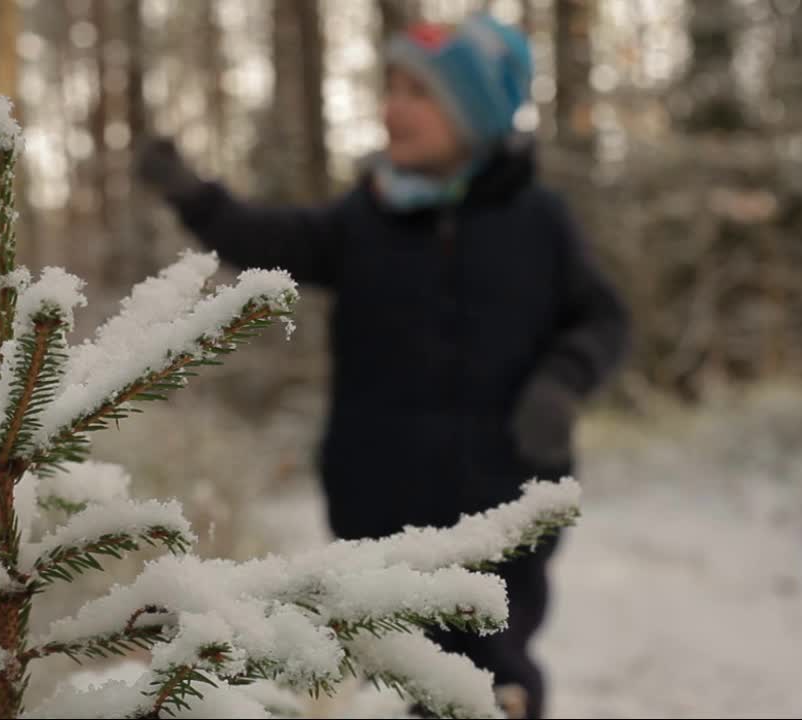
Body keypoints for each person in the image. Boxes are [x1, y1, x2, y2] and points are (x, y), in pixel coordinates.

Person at [136, 13, 629, 719]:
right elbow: (263, 237)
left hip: (506, 496)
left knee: (494, 674)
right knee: (393, 674)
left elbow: (604, 318)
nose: (393, 107)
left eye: (419, 92)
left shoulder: (537, 220)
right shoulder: (364, 219)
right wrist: (194, 194)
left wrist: (563, 381)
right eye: (390, 88)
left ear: (476, 110)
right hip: (379, 503)